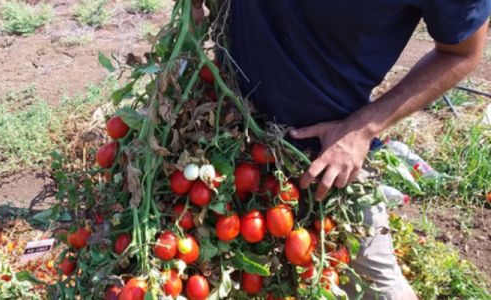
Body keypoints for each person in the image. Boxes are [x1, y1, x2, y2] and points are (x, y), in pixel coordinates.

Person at [193, 0, 489, 299]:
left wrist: (363, 127)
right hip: (223, 134)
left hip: (326, 156)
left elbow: (462, 53)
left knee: (374, 287)